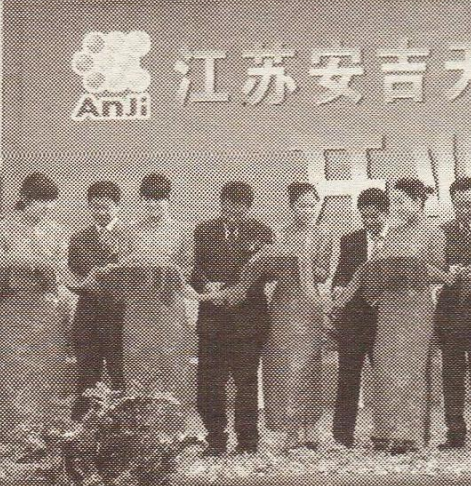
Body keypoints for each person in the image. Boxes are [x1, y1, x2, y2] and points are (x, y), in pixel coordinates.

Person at [191, 181, 274, 456]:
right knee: (209, 384)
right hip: (213, 318)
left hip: (247, 320)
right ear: (221, 203)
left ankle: (247, 440)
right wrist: (206, 287)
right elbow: (193, 267)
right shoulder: (203, 230)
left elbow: (268, 271)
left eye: (240, 207)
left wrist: (243, 290)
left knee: (246, 382)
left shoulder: (262, 231)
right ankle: (215, 437)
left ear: (248, 207)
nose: (234, 211)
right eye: (228, 205)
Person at [111, 173, 198, 434]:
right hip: (138, 306)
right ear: (141, 200)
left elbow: (188, 268)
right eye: (148, 199)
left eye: (159, 199)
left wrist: (168, 273)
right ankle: (140, 429)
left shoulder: (182, 230)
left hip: (169, 306)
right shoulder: (129, 230)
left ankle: (173, 430)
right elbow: (120, 266)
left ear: (168, 200)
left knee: (173, 360)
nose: (153, 204)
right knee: (137, 359)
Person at [364, 178, 445, 453]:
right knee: (385, 364)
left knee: (412, 367)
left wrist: (414, 268)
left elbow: (440, 273)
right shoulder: (393, 233)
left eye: (401, 202)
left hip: (416, 305)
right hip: (389, 306)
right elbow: (377, 270)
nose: (396, 207)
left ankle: (409, 434)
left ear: (418, 201)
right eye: (394, 202)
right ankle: (384, 430)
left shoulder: (434, 232)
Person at [0, 173, 71, 444]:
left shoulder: (58, 231)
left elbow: (61, 271)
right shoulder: (1, 229)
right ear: (25, 199)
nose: (48, 207)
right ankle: (17, 441)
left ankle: (47, 441)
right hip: (13, 307)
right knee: (14, 371)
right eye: (42, 200)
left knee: (48, 370)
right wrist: (26, 261)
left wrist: (33, 263)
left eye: (51, 201)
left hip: (47, 308)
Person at [261, 183, 333, 450]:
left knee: (310, 365)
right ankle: (290, 429)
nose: (308, 210)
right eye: (302, 205)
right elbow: (269, 272)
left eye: (312, 205)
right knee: (284, 366)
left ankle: (310, 424)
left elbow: (323, 273)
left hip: (309, 303)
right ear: (292, 207)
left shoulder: (324, 233)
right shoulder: (279, 233)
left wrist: (305, 265)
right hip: (283, 305)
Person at [329, 187, 387, 448]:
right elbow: (341, 273)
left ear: (386, 213)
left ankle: (386, 432)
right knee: (348, 375)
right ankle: (342, 435)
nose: (369, 222)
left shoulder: (397, 239)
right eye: (364, 217)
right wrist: (338, 287)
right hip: (354, 318)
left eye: (374, 216)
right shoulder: (350, 240)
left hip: (386, 318)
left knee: (386, 375)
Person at [436, 177, 471, 450]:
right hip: (451, 311)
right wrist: (446, 272)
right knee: (452, 374)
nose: (464, 211)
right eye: (459, 206)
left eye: (469, 204)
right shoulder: (443, 231)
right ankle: (455, 431)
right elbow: (434, 267)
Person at [67, 181, 125, 420]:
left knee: (120, 373)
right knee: (87, 374)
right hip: (88, 315)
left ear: (118, 206)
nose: (100, 212)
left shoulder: (130, 236)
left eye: (106, 207)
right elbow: (73, 274)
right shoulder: (78, 238)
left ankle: (124, 428)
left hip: (120, 315)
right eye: (95, 207)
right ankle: (82, 429)